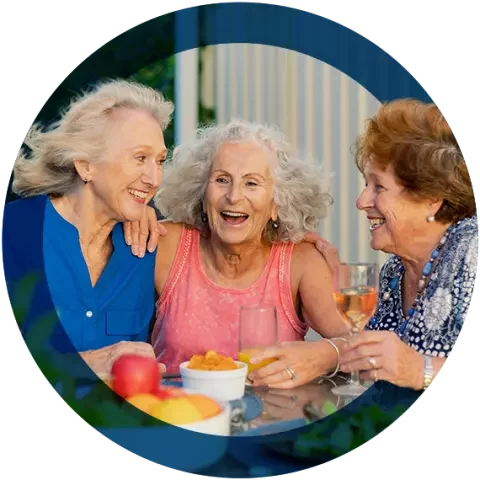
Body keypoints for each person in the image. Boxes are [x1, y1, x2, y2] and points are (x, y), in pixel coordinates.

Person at [249, 98, 478, 391]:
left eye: (378, 187)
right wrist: (334, 286)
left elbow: (408, 367)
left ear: (432, 197)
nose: (361, 202)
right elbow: (371, 360)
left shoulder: (472, 251)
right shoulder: (396, 272)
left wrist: (421, 370)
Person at [138, 119, 351, 380]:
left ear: (278, 203)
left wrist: (326, 354)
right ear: (202, 194)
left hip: (272, 417)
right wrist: (133, 217)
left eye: (252, 183)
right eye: (221, 180)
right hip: (178, 413)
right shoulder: (165, 243)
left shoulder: (301, 261)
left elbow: (354, 343)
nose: (234, 196)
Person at [3, 79, 174, 380]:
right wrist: (85, 363)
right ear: (85, 166)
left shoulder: (146, 243)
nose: (153, 178)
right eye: (139, 158)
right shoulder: (14, 232)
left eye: (159, 161)